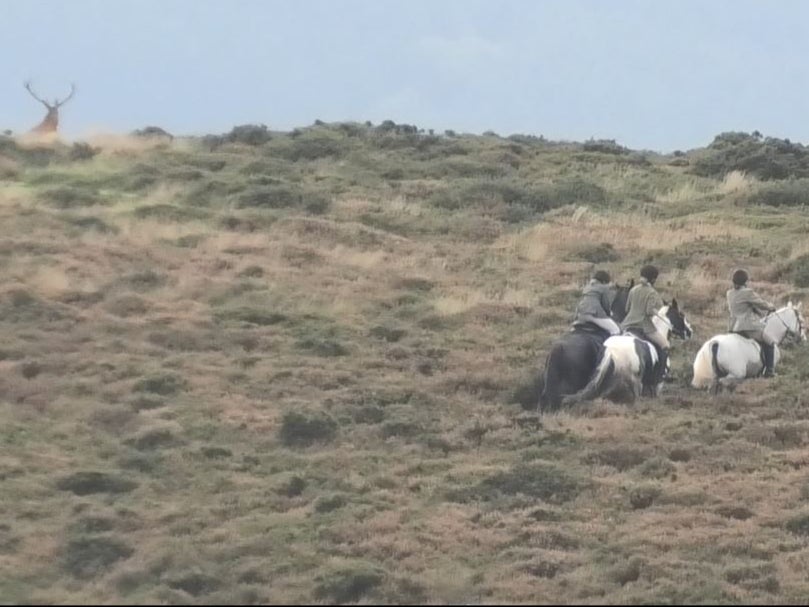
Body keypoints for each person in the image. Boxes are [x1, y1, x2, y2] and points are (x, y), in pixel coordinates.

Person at [621, 264, 669, 383]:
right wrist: (658, 313)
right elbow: (648, 311)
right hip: (644, 326)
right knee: (665, 346)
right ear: (653, 279)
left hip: (626, 325)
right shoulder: (652, 293)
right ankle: (660, 375)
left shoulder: (633, 290)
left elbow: (627, 308)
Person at [727, 269, 777, 378]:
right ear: (745, 281)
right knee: (770, 342)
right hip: (747, 328)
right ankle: (769, 371)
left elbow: (746, 307)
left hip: (732, 327)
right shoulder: (747, 292)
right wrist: (771, 307)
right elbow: (761, 303)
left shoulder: (729, 293)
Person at [571, 270, 621, 336]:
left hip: (580, 313)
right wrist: (609, 314)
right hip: (593, 313)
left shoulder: (587, 287)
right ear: (604, 281)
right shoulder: (604, 287)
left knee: (573, 329)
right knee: (615, 329)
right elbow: (606, 305)